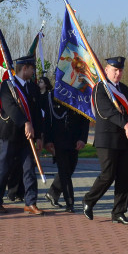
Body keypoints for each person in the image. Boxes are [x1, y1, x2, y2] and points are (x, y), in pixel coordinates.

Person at [81, 57, 128, 223]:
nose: (118, 73)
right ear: (106, 70)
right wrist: (126, 125)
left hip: (123, 140)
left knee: (123, 177)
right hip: (106, 139)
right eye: (115, 70)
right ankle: (89, 200)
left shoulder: (125, 90)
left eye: (120, 70)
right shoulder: (100, 88)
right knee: (108, 175)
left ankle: (119, 212)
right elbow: (106, 112)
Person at [0, 56, 45, 215]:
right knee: (4, 168)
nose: (33, 71)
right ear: (25, 68)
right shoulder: (7, 86)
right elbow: (10, 108)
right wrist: (25, 122)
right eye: (32, 68)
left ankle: (31, 202)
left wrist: (40, 135)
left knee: (29, 168)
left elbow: (36, 113)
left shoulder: (33, 88)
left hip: (27, 137)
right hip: (10, 133)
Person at [43, 77, 91, 212]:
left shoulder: (79, 93)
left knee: (70, 168)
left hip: (74, 139)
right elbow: (48, 120)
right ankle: (70, 203)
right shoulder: (52, 95)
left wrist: (83, 138)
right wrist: (48, 140)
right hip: (58, 139)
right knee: (64, 171)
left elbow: (85, 118)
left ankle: (52, 193)